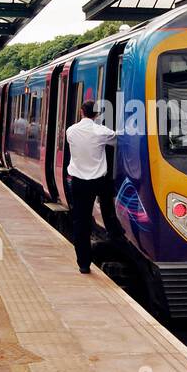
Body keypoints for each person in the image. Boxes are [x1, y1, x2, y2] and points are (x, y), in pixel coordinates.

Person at [65, 100, 123, 274]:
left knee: (80, 222)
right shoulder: (101, 132)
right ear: (97, 114)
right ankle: (115, 236)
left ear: (81, 111)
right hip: (99, 181)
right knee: (108, 210)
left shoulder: (71, 131)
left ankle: (83, 264)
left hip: (78, 182)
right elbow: (118, 139)